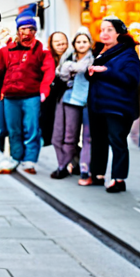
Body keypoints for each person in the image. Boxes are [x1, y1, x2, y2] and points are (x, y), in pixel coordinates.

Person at [0, 8, 55, 175]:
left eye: (31, 29)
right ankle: (16, 157)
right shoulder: (6, 50)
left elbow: (49, 71)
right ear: (18, 30)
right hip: (10, 97)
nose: (27, 32)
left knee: (31, 129)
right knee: (13, 129)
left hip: (31, 96)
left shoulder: (42, 50)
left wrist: (44, 90)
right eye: (23, 29)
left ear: (35, 31)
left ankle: (30, 160)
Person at [86, 17, 140, 193]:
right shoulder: (100, 52)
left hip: (117, 107)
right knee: (98, 140)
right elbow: (97, 77)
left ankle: (119, 179)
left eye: (109, 30)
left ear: (119, 32)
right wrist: (92, 72)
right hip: (97, 105)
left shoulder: (128, 54)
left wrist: (107, 71)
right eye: (102, 30)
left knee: (117, 142)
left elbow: (132, 80)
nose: (104, 33)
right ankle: (97, 175)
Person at [51, 28, 93, 181]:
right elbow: (61, 75)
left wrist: (71, 68)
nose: (81, 44)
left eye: (85, 41)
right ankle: (64, 165)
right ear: (74, 44)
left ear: (90, 43)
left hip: (89, 101)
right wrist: (68, 68)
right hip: (70, 99)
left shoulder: (94, 59)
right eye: (79, 42)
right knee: (69, 135)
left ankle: (84, 168)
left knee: (88, 137)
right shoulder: (69, 59)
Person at [41, 31, 69, 146]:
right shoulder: (46, 57)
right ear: (51, 43)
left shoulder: (71, 57)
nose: (60, 44)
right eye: (57, 42)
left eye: (63, 42)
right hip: (48, 97)